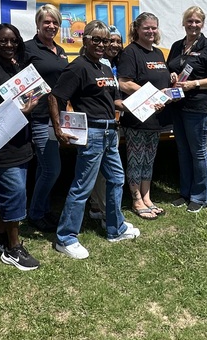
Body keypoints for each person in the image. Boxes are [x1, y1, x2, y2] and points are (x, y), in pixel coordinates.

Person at [49, 20, 140, 259]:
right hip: (92, 133)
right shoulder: (78, 67)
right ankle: (65, 238)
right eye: (96, 40)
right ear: (85, 40)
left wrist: (140, 105)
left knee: (117, 179)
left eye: (106, 41)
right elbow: (55, 96)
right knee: (83, 186)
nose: (102, 44)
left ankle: (115, 228)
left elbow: (113, 103)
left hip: (110, 131)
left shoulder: (105, 67)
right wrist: (58, 129)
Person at [0, 23, 41, 271]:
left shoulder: (19, 67)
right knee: (14, 194)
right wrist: (19, 110)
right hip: (1, 145)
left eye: (13, 40)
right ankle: (13, 248)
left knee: (12, 194)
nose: (9, 45)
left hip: (21, 141)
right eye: (3, 40)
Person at [166, 6, 207, 212]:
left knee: (198, 152)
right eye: (189, 21)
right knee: (183, 151)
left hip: (197, 107)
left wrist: (195, 84)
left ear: (202, 24)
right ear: (183, 23)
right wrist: (172, 76)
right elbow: (170, 69)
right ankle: (185, 193)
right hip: (177, 105)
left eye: (197, 21)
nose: (193, 25)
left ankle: (200, 197)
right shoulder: (176, 46)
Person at [116, 13, 171, 219]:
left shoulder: (158, 53)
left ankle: (147, 197)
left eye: (154, 28)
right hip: (137, 117)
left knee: (149, 159)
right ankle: (136, 199)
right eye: (146, 28)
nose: (151, 31)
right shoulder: (131, 52)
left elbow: (161, 80)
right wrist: (152, 95)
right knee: (136, 159)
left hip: (156, 118)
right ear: (137, 29)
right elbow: (124, 82)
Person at [24, 4, 69, 233]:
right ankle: (35, 214)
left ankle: (41, 209)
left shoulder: (59, 50)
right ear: (38, 24)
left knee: (45, 168)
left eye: (55, 23)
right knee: (51, 169)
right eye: (47, 22)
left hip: (58, 117)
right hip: (40, 117)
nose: (51, 26)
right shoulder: (28, 49)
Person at [88, 26, 125, 220]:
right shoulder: (97, 64)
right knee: (104, 173)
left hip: (113, 123)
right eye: (110, 41)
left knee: (106, 173)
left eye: (118, 41)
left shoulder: (113, 63)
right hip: (99, 126)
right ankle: (103, 211)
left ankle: (97, 207)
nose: (114, 45)